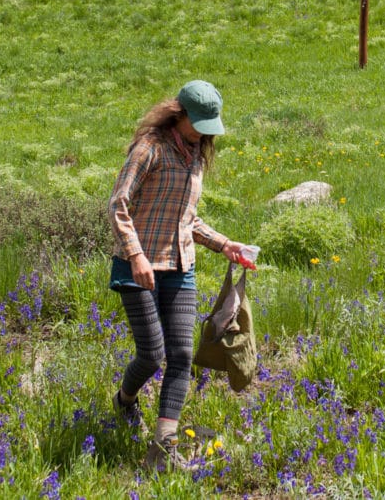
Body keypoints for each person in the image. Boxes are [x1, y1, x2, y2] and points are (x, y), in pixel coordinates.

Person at [107, 79, 251, 473]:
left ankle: (162, 448)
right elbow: (118, 204)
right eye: (198, 122)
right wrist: (135, 255)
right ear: (179, 114)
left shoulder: (196, 156)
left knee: (182, 356)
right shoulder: (150, 148)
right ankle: (124, 401)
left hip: (180, 266)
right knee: (152, 355)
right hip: (138, 266)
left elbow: (187, 220)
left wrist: (225, 244)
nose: (204, 131)